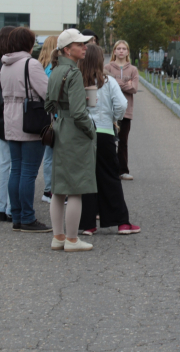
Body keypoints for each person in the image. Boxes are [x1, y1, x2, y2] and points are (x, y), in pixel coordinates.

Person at [44, 29, 97, 252]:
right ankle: (72, 240)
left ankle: (58, 237)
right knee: (75, 188)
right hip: (74, 131)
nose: (85, 47)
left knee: (59, 188)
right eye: (80, 44)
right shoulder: (73, 73)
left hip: (60, 127)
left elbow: (48, 104)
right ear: (67, 49)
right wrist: (90, 130)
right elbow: (78, 112)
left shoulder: (55, 70)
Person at [79, 44, 140, 236]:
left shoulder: (77, 80)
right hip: (104, 131)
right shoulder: (108, 81)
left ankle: (88, 223)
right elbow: (121, 104)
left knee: (87, 178)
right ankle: (121, 221)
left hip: (82, 134)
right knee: (110, 177)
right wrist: (113, 118)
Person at [0, 27, 50, 232]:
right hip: (30, 120)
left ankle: (17, 216)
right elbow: (47, 92)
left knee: (17, 170)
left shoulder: (4, 65)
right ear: (29, 43)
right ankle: (28, 218)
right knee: (29, 172)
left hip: (10, 120)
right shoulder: (31, 63)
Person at [104, 40, 139, 181]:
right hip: (109, 111)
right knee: (109, 141)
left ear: (128, 52)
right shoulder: (107, 68)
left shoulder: (133, 70)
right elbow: (105, 85)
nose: (121, 51)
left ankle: (123, 170)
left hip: (126, 111)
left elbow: (134, 88)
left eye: (124, 48)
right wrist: (125, 83)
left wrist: (116, 82)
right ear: (114, 51)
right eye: (118, 48)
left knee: (123, 141)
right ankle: (110, 170)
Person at [0, 26, 16, 222]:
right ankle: (7, 207)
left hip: (1, 118)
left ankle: (2, 206)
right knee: (10, 164)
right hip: (8, 118)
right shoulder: (6, 64)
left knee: (4, 163)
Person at [37, 35, 58, 203]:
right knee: (52, 155)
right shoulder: (52, 68)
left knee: (49, 155)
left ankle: (48, 189)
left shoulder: (39, 66)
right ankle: (50, 190)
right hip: (55, 116)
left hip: (44, 116)